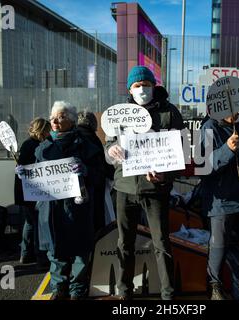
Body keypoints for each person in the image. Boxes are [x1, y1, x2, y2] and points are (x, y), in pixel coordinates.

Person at [105, 66, 184, 300]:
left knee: (161, 243)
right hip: (124, 188)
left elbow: (181, 154)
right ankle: (124, 291)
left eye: (146, 85)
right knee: (124, 243)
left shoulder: (170, 113)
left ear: (154, 86)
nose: (142, 89)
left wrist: (165, 176)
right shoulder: (119, 114)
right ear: (130, 89)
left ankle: (169, 295)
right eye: (137, 85)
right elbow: (108, 148)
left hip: (155, 189)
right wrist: (111, 149)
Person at [33, 101, 100, 300]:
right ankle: (59, 288)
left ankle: (77, 289)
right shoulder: (42, 148)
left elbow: (100, 175)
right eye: (53, 116)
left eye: (61, 117)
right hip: (51, 208)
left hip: (78, 207)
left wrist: (86, 170)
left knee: (80, 250)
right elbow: (36, 177)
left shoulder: (86, 146)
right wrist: (25, 176)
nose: (54, 120)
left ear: (71, 120)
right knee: (55, 250)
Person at [199, 112, 239, 300]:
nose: (236, 114)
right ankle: (215, 288)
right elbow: (203, 165)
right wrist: (227, 149)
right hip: (221, 200)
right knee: (219, 245)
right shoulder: (209, 127)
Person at [14, 118, 51, 267]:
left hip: (24, 190)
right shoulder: (35, 145)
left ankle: (25, 253)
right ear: (42, 131)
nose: (50, 133)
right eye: (48, 130)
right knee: (37, 223)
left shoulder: (27, 144)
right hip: (32, 191)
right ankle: (40, 257)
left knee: (29, 223)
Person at [77, 110, 114, 233]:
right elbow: (102, 164)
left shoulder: (74, 136)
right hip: (94, 186)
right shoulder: (92, 139)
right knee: (96, 220)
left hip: (78, 188)